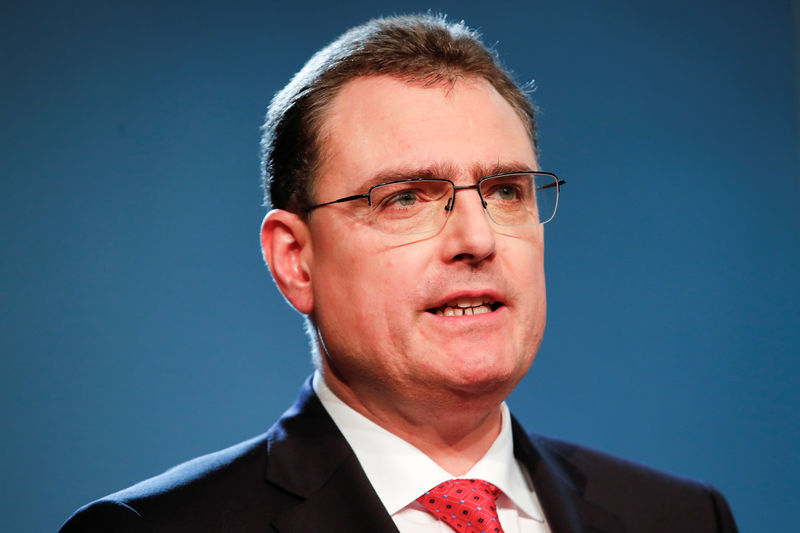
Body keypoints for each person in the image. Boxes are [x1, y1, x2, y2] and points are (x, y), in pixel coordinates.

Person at [60, 14, 738, 533]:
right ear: (296, 259)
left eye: (505, 190)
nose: (477, 238)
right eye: (406, 198)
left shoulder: (681, 516)